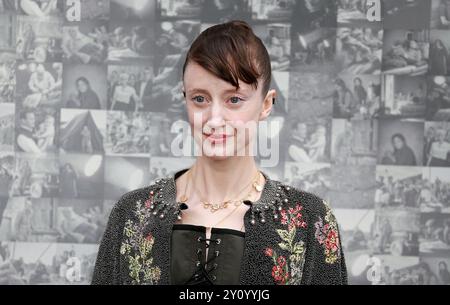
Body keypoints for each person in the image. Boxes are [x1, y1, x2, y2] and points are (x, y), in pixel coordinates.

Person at [92, 20, 347, 285]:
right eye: (199, 99)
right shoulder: (131, 213)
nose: (214, 119)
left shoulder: (310, 218)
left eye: (234, 99)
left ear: (266, 104)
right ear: (185, 99)